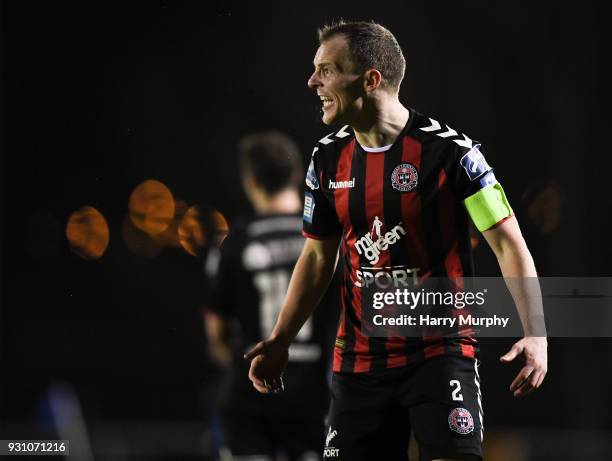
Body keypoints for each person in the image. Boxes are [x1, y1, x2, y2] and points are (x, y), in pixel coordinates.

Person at [244, 21, 548, 461]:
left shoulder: (454, 155)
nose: (313, 82)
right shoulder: (326, 159)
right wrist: (281, 339)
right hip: (359, 365)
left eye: (327, 71)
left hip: (439, 355)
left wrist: (536, 333)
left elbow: (508, 243)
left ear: (370, 79)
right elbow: (316, 257)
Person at [204, 131, 337, 461]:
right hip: (315, 393)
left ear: (250, 180)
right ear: (296, 174)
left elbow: (217, 332)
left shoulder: (236, 241)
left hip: (250, 395)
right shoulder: (328, 240)